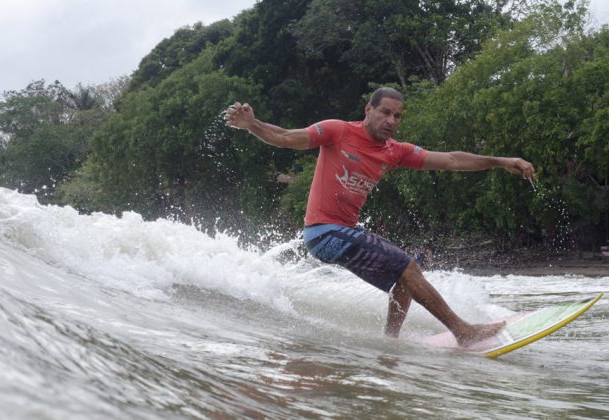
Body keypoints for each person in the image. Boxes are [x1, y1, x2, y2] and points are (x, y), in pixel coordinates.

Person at [225, 87, 535, 346]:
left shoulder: (394, 151)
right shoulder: (337, 131)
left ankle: (390, 342)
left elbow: (452, 160)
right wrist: (252, 125)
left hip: (341, 233)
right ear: (368, 110)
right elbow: (284, 137)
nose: (391, 120)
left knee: (403, 280)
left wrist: (500, 160)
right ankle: (462, 331)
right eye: (385, 112)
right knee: (408, 266)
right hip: (323, 232)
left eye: (397, 116)